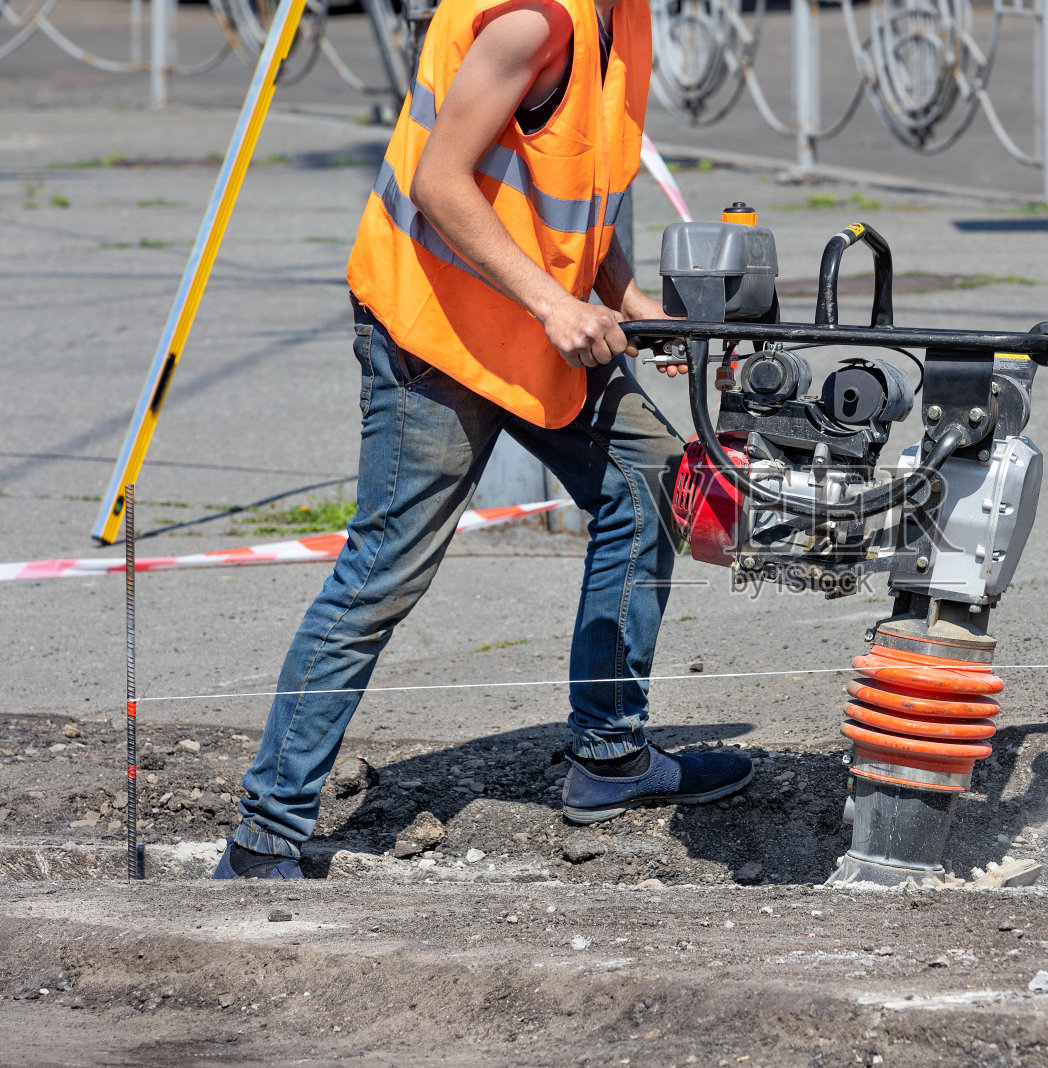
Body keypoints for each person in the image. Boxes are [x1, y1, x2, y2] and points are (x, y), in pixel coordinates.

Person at [213, 0, 751, 880]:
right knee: (383, 574)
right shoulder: (533, 21)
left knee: (651, 482)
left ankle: (610, 757)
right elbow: (440, 183)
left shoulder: (624, 21)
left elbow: (579, 201)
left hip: (532, 328)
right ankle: (262, 839)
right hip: (438, 331)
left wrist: (638, 310)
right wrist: (554, 305)